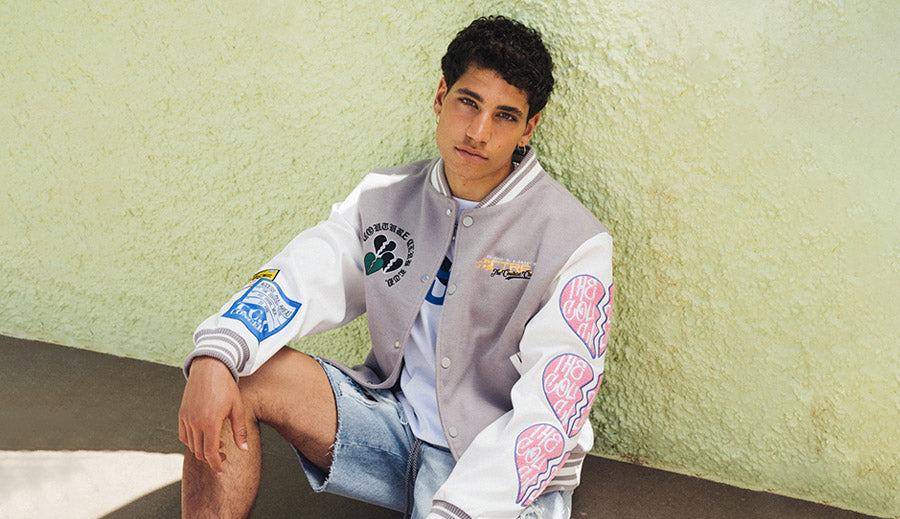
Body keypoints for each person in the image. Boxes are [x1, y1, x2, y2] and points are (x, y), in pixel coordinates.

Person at [178, 15, 613, 519]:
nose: (478, 132)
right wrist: (215, 356)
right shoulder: (385, 197)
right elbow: (305, 272)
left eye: (505, 116)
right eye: (468, 102)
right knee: (238, 371)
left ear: (528, 128)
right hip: (392, 429)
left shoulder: (575, 241)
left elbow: (553, 408)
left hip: (492, 474)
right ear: (441, 96)